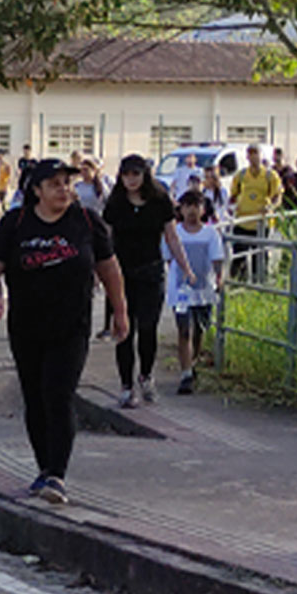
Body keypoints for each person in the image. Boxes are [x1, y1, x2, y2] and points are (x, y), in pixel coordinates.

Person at [0, 160, 128, 506]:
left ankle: (58, 475)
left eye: (67, 183)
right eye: (54, 184)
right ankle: (44, 468)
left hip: (71, 326)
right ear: (36, 190)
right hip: (27, 326)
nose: (63, 190)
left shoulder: (87, 222)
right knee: (35, 397)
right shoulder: (16, 223)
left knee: (58, 393)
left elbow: (109, 268)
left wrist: (120, 312)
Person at [104, 154, 195, 408]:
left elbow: (172, 237)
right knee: (124, 329)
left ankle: (146, 375)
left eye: (136, 174)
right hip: (121, 274)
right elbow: (106, 241)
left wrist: (185, 267)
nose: (131, 180)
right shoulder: (115, 204)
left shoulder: (159, 201)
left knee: (147, 328)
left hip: (151, 272)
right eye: (126, 175)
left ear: (144, 175)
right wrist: (99, 274)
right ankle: (125, 385)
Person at [168, 191, 225, 394]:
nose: (192, 210)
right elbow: (168, 258)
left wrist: (220, 278)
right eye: (187, 206)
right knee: (184, 329)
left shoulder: (210, 234)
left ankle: (193, 362)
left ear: (203, 209)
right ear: (180, 209)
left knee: (200, 328)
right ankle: (185, 374)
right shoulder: (175, 232)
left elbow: (217, 259)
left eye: (196, 205)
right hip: (181, 290)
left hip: (204, 289)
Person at [229, 144, 283, 280]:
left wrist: (271, 207)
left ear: (261, 155)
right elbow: (233, 196)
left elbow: (277, 196)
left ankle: (259, 284)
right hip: (242, 222)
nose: (253, 157)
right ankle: (238, 284)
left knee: (259, 257)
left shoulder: (270, 176)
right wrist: (232, 207)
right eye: (250, 154)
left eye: (256, 153)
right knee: (238, 256)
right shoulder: (241, 175)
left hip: (260, 223)